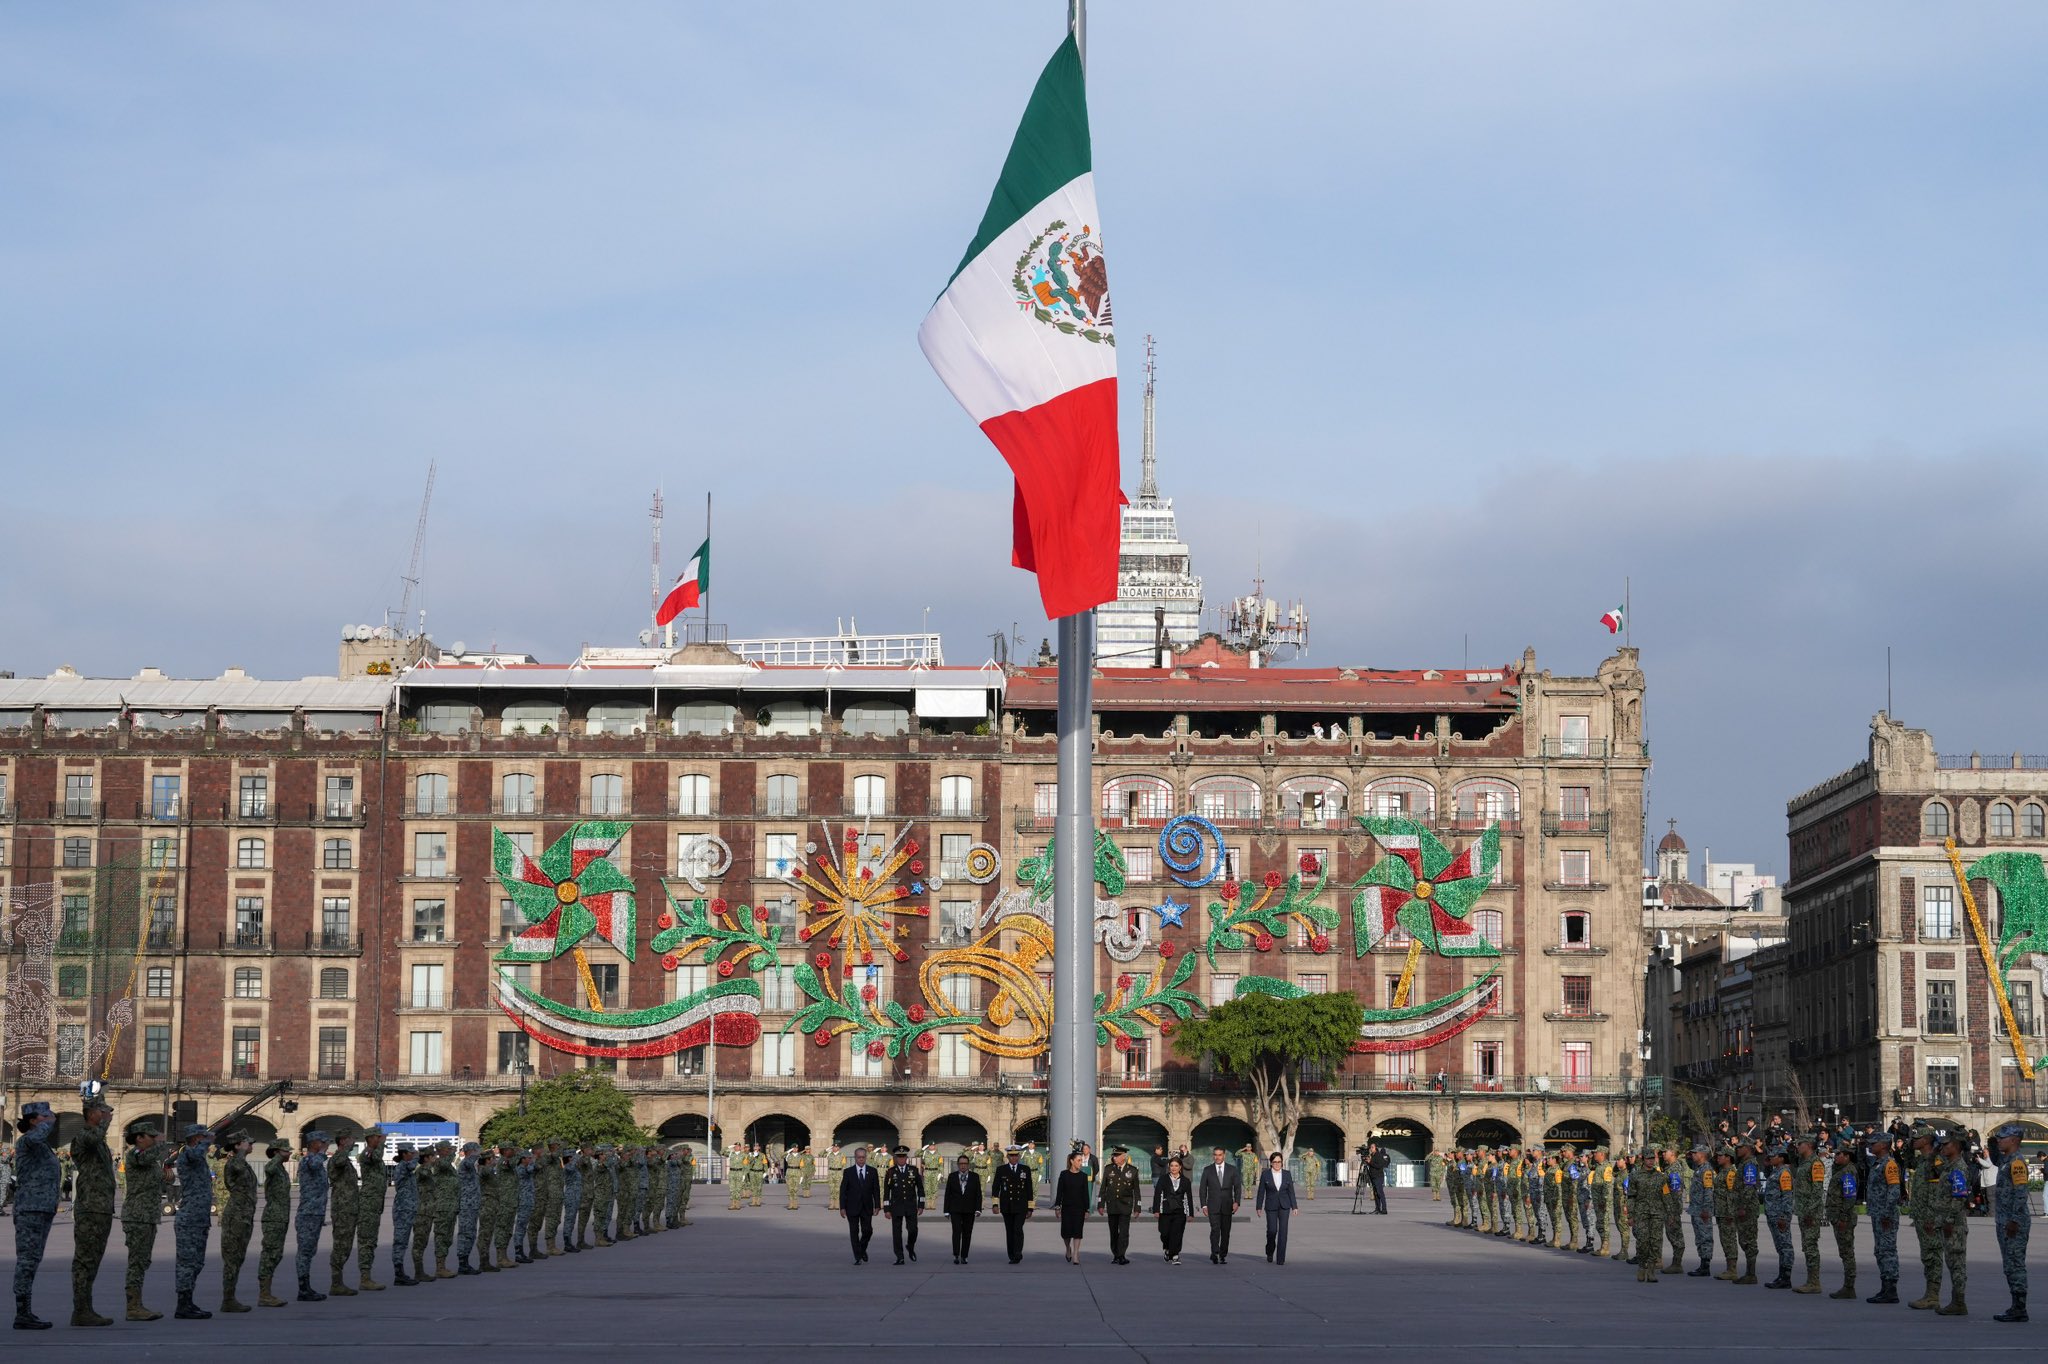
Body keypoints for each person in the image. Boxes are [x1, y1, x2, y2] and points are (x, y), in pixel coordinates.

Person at [68, 1095, 118, 1327]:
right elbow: (93, 1137)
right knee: (85, 1259)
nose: (108, 1114)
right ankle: (80, 1310)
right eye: (103, 1111)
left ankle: (86, 1308)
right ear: (91, 1114)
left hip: (101, 1208)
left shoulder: (98, 1139)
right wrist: (106, 1123)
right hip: (89, 1207)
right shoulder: (84, 1136)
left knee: (94, 1259)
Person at [11, 1101, 60, 1330]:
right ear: (32, 1121)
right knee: (27, 1261)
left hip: (41, 1207)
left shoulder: (42, 1145)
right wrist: (48, 1122)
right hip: (30, 1208)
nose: (50, 1118)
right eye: (44, 1115)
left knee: (33, 1260)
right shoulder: (28, 1141)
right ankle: (22, 1313)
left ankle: (25, 1312)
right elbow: (36, 1137)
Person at [123, 1124, 174, 1319]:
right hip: (137, 1216)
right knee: (137, 1261)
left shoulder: (150, 1159)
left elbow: (155, 1178)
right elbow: (145, 1159)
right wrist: (163, 1144)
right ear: (139, 1138)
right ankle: (133, 1308)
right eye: (151, 1136)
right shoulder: (135, 1154)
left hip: (148, 1216)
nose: (155, 1139)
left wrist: (166, 1177)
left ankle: (137, 1304)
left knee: (143, 1260)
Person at [172, 1124, 217, 1319]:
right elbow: (196, 1154)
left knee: (197, 1263)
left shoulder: (199, 1158)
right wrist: (206, 1141)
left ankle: (188, 1301)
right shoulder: (188, 1154)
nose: (208, 1141)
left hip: (199, 1218)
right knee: (187, 1263)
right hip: (189, 1217)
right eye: (202, 1137)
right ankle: (182, 1305)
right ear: (195, 1139)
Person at [1989, 1121, 2032, 1323]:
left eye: (2003, 1137)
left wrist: (2014, 1219)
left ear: (2014, 1140)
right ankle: (2015, 1305)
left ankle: (2019, 1308)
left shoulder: (2016, 1163)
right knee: (2009, 1264)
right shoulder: (2006, 1160)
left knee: (2015, 1264)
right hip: (2005, 1220)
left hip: (2014, 1221)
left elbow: (2021, 1193)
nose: (1999, 1140)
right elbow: (1994, 1154)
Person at [218, 1133, 258, 1312]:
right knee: (232, 1258)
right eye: (248, 1143)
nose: (251, 1145)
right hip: (236, 1215)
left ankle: (230, 1298)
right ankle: (228, 1300)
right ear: (238, 1145)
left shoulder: (242, 1163)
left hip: (245, 1215)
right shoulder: (235, 1162)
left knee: (238, 1258)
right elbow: (238, 1169)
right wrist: (240, 1151)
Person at [1862, 1128, 1903, 1304]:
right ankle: (1885, 1287)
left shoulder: (1889, 1164)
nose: (1871, 1146)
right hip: (1878, 1214)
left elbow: (1894, 1190)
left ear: (1884, 1145)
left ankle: (1891, 1289)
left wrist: (1887, 1213)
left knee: (1888, 1251)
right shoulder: (1877, 1163)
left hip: (1886, 1215)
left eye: (1874, 1143)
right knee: (1880, 1250)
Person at [295, 1130, 333, 1302]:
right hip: (308, 1213)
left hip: (316, 1213)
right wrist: (323, 1152)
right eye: (323, 1142)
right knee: (305, 1251)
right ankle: (303, 1288)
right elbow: (315, 1164)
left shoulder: (315, 1159)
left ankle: (306, 1286)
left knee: (310, 1251)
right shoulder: (309, 1159)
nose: (326, 1145)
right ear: (315, 1143)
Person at [258, 1142, 293, 1306]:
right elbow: (269, 1168)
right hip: (273, 1217)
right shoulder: (273, 1166)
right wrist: (278, 1155)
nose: (290, 1154)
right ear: (278, 1152)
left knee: (276, 1255)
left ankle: (267, 1293)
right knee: (270, 1254)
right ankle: (264, 1294)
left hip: (281, 1217)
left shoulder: (282, 1169)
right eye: (287, 1151)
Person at [1826, 1141, 1861, 1299]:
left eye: (1839, 1154)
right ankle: (1848, 1286)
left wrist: (1843, 1217)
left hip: (1843, 1218)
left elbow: (1849, 1197)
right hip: (1838, 1217)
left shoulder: (1848, 1172)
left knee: (1847, 1252)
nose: (1836, 1156)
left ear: (1847, 1156)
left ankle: (1849, 1286)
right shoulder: (1841, 1170)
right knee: (1844, 1252)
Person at [1096, 1145, 1141, 1265]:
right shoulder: (1108, 1169)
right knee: (1113, 1232)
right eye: (1114, 1155)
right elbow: (1103, 1188)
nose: (1114, 1157)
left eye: (1116, 1155)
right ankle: (1115, 1254)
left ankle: (1121, 1255)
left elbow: (1136, 1191)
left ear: (1123, 1156)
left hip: (1125, 1206)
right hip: (1112, 1206)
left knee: (1124, 1232)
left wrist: (1137, 1207)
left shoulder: (1133, 1170)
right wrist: (1100, 1204)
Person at [327, 1132, 360, 1297]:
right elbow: (338, 1161)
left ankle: (338, 1282)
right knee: (341, 1245)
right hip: (342, 1209)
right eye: (350, 1139)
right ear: (342, 1141)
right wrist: (345, 1148)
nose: (353, 1141)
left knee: (345, 1245)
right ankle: (336, 1283)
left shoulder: (345, 1159)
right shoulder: (338, 1158)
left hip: (350, 1208)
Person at [991, 1146, 1035, 1264]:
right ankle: (1011, 1254)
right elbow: (995, 1188)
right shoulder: (1001, 1170)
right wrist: (995, 1205)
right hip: (1007, 1205)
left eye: (1016, 1155)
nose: (1014, 1158)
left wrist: (1030, 1207)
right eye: (1012, 1156)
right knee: (1009, 1231)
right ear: (1007, 1157)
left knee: (1018, 1229)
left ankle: (1018, 1253)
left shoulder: (1025, 1169)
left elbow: (1029, 1189)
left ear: (1019, 1156)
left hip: (1021, 1205)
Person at [356, 1129, 388, 1290]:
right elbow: (377, 1157)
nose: (381, 1139)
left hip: (375, 1203)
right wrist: (381, 1144)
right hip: (368, 1204)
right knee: (367, 1241)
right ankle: (365, 1278)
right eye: (378, 1137)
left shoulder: (374, 1153)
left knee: (371, 1240)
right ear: (370, 1138)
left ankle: (367, 1277)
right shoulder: (367, 1153)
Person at [838, 1146, 880, 1265]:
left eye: (863, 1157)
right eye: (859, 1157)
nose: (861, 1160)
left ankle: (862, 1249)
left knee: (868, 1230)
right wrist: (842, 1207)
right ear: (855, 1158)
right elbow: (843, 1191)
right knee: (854, 1231)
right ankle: (857, 1256)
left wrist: (877, 1205)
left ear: (866, 1157)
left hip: (867, 1207)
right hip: (852, 1207)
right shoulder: (848, 1172)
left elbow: (876, 1190)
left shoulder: (872, 1171)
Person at [1761, 1144, 1795, 1290]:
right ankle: (1781, 1276)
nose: (1770, 1158)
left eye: (1773, 1156)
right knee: (1780, 1246)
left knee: (1785, 1246)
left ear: (1781, 1158)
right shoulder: (1775, 1172)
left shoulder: (1784, 1173)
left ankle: (1786, 1277)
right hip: (1772, 1214)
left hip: (1780, 1215)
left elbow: (1787, 1196)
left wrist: (1784, 1216)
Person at [883, 1146, 924, 1265]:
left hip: (911, 1206)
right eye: (899, 1157)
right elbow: (886, 1192)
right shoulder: (891, 1172)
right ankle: (899, 1256)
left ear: (906, 1158)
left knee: (913, 1230)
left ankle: (910, 1246)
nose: (901, 1159)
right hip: (896, 1206)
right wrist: (886, 1209)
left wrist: (921, 1204)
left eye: (903, 1157)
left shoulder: (914, 1170)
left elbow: (920, 1189)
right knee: (896, 1233)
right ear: (895, 1158)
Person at [1256, 1151, 1298, 1265]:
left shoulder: (1287, 1174)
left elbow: (1291, 1191)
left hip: (1285, 1205)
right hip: (1271, 1206)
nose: (1277, 1164)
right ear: (1271, 1163)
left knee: (1283, 1232)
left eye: (1279, 1162)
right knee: (1272, 1230)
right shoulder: (1266, 1174)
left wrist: (1294, 1206)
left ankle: (1280, 1259)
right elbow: (1261, 1192)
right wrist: (1258, 1207)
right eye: (1275, 1162)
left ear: (1282, 1162)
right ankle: (1270, 1251)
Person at [1199, 1145, 1239, 1264]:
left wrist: (1237, 1202)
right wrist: (1204, 1205)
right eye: (1215, 1155)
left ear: (1224, 1155)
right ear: (1213, 1156)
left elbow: (1237, 1187)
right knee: (1215, 1229)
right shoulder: (1207, 1170)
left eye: (1220, 1155)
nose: (1217, 1157)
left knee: (1226, 1232)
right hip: (1213, 1205)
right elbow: (1202, 1189)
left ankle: (1223, 1254)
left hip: (1227, 1205)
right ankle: (1214, 1252)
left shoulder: (1232, 1169)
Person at [388, 1145, 420, 1287]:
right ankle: (398, 1273)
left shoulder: (405, 1165)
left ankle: (400, 1273)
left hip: (408, 1208)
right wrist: (419, 1156)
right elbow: (412, 1166)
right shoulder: (403, 1165)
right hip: (403, 1209)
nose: (413, 1155)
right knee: (400, 1241)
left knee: (404, 1241)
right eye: (411, 1153)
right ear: (405, 1154)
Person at [1053, 1149, 1091, 1264]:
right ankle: (1068, 1248)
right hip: (1067, 1207)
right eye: (1079, 1160)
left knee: (1077, 1232)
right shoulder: (1064, 1174)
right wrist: (1057, 1207)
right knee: (1066, 1233)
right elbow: (1060, 1192)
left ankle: (1075, 1254)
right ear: (1072, 1161)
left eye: (1082, 1161)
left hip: (1079, 1208)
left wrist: (1087, 1209)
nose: (1081, 1163)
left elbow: (1086, 1194)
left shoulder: (1083, 1176)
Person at [1153, 1155, 1193, 1264]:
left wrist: (1190, 1214)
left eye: (1176, 1166)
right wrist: (1156, 1210)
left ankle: (1175, 1255)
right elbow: (1157, 1195)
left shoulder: (1186, 1181)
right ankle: (1167, 1248)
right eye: (1171, 1166)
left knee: (1177, 1233)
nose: (1174, 1168)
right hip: (1165, 1211)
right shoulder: (1163, 1179)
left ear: (1180, 1167)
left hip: (1179, 1211)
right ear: (1169, 1167)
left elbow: (1188, 1197)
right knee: (1164, 1233)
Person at [942, 1154, 981, 1264]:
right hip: (955, 1209)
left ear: (968, 1165)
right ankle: (956, 1254)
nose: (963, 1166)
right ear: (958, 1165)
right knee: (956, 1232)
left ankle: (964, 1256)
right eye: (961, 1164)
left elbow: (978, 1194)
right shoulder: (952, 1176)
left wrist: (978, 1209)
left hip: (969, 1209)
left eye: (965, 1164)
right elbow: (947, 1194)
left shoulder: (975, 1176)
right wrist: (946, 1210)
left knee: (967, 1233)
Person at [1367, 1142, 1388, 1214]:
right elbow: (1371, 1164)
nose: (1371, 1148)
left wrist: (1370, 1162)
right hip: (1373, 1176)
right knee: (1375, 1193)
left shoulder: (1378, 1155)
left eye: (1372, 1147)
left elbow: (1379, 1166)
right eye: (1370, 1147)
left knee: (1380, 1193)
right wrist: (1367, 1161)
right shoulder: (1372, 1155)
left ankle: (1384, 1209)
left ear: (1376, 1148)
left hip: (1378, 1177)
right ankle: (1377, 1208)